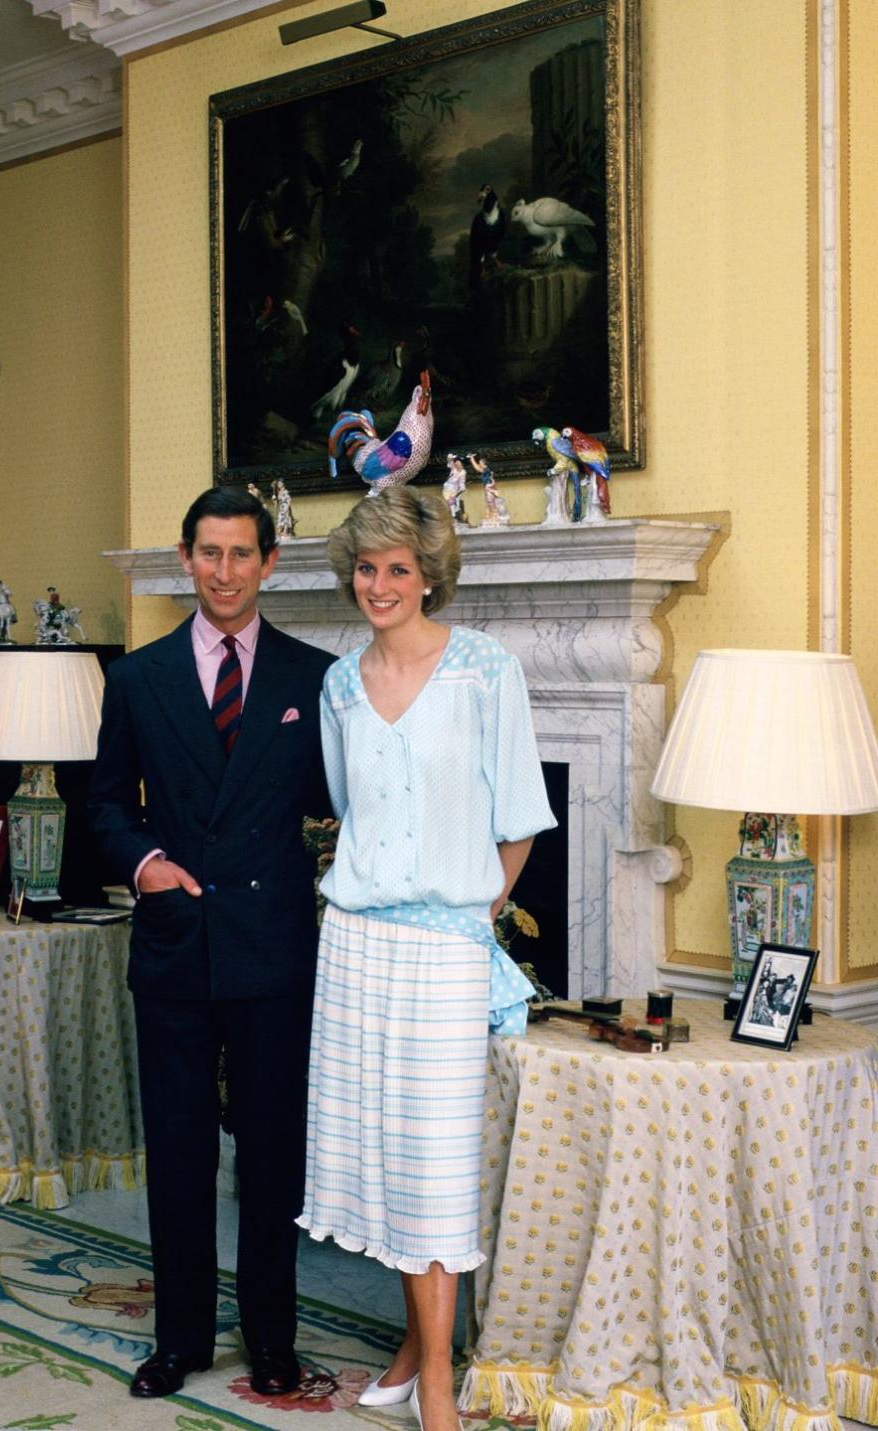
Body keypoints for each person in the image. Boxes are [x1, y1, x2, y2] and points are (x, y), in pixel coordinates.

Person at [297, 486, 555, 1431]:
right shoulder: (336, 684)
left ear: (431, 574)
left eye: (399, 567)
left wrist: (467, 915)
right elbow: (348, 809)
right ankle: (418, 1347)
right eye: (366, 567)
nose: (379, 584)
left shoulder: (487, 672)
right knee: (385, 1160)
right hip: (357, 946)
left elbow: (520, 820)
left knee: (436, 1165)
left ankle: (435, 1382)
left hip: (446, 949)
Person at [88, 486, 333, 1401]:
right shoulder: (136, 679)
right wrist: (145, 860)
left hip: (273, 947)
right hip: (175, 944)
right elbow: (103, 803)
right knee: (181, 1151)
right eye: (209, 553)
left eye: (241, 554)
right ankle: (180, 1337)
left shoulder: (314, 678)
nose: (225, 572)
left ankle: (273, 1338)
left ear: (269, 563)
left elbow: (345, 799)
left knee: (274, 1155)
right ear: (185, 559)